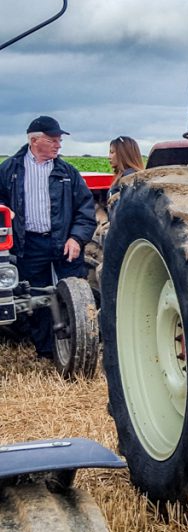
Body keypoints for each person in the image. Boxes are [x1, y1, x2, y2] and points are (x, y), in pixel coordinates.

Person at [0, 115, 96, 358]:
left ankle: (78, 348)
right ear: (34, 141)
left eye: (59, 140)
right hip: (29, 244)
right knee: (38, 298)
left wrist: (76, 238)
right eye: (53, 140)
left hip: (64, 243)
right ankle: (47, 351)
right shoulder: (9, 170)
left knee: (74, 296)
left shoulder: (68, 173)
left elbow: (85, 209)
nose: (58, 145)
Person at [107, 135, 144, 216]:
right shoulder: (139, 177)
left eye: (112, 152)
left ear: (123, 154)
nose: (108, 157)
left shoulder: (128, 180)